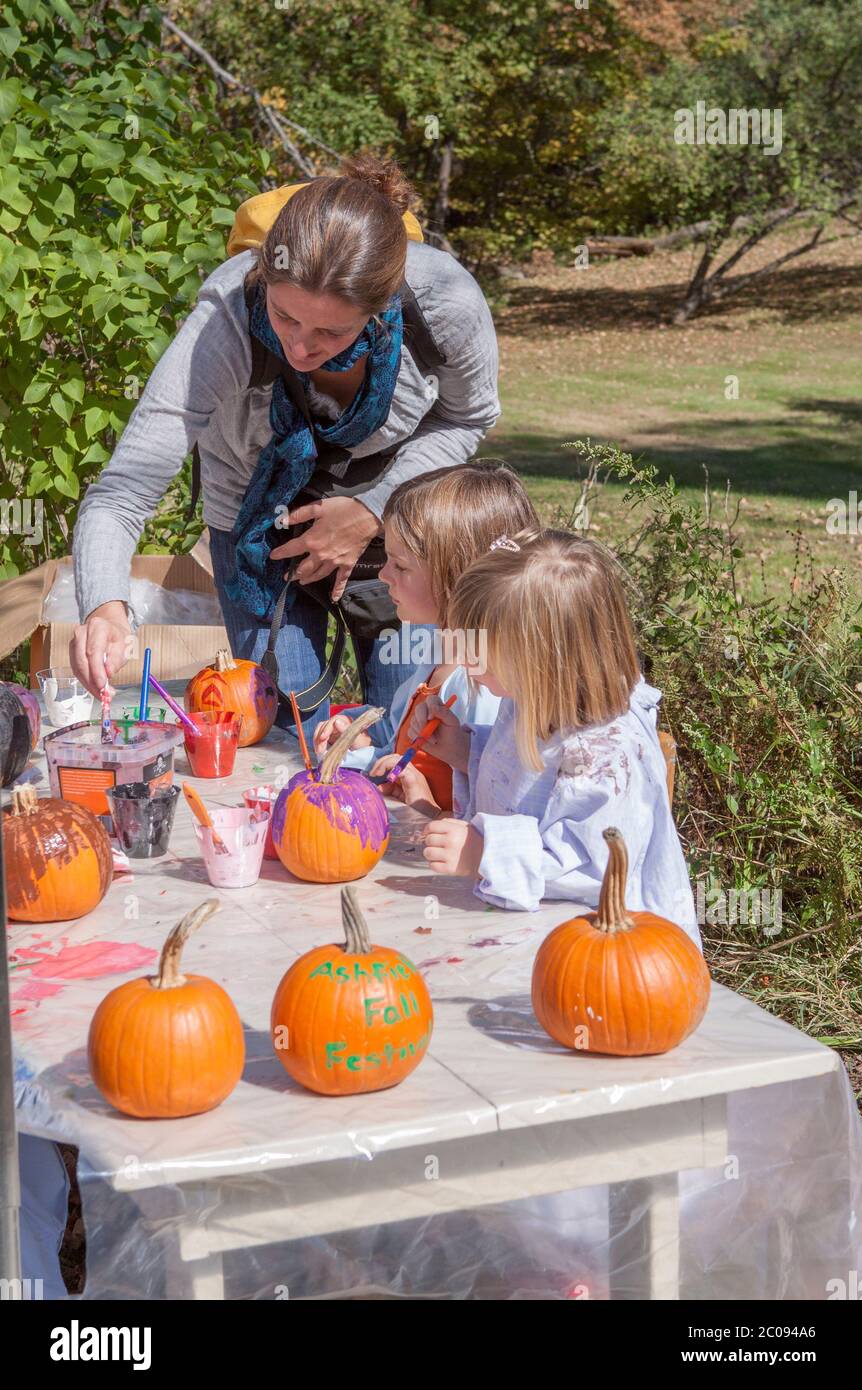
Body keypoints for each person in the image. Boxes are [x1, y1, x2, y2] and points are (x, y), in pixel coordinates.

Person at [69, 154, 501, 744]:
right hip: (255, 522)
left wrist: (373, 509)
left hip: (398, 527)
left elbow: (470, 416)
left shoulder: (444, 303)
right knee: (292, 729)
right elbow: (124, 492)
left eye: (331, 332)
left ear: (381, 309)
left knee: (405, 723)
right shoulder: (224, 322)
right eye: (284, 316)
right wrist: (104, 607)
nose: (300, 346)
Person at [415, 528, 701, 942]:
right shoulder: (529, 696)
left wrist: (485, 853)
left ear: (547, 658)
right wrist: (466, 751)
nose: (467, 663)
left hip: (609, 953)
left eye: (484, 657)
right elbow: (526, 786)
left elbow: (593, 868)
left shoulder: (609, 753)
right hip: (532, 932)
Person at [317, 459, 539, 813]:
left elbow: (494, 815)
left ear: (460, 575)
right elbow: (407, 762)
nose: (384, 575)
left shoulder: (489, 687)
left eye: (400, 565)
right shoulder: (436, 650)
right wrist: (360, 750)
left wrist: (425, 807)